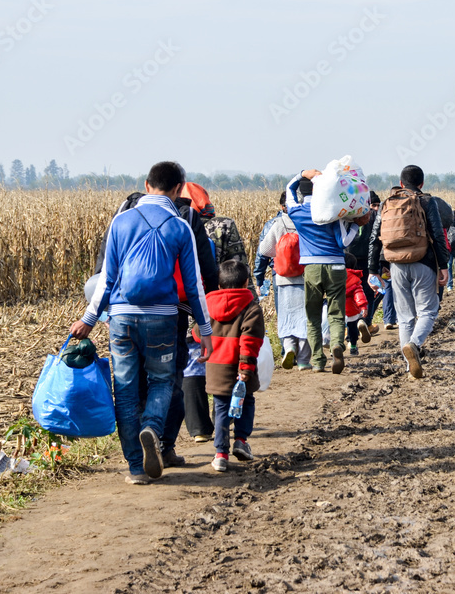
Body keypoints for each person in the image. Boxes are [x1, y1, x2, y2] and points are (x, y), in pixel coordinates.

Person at [72, 161, 214, 485]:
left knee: (123, 390)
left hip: (121, 318)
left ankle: (136, 469)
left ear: (147, 185)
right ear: (180, 190)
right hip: (163, 318)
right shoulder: (180, 226)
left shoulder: (121, 222)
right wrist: (205, 331)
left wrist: (89, 320)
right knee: (163, 381)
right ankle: (152, 427)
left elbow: (106, 278)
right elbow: (194, 286)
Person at [369, 165, 449, 379]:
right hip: (423, 262)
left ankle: (408, 366)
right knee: (428, 311)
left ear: (401, 183)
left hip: (396, 264)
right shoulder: (426, 201)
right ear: (421, 183)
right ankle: (414, 344)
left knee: (404, 317)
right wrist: (443, 266)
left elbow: (374, 238)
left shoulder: (387, 203)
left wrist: (372, 270)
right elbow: (438, 236)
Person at [286, 170, 368, 374]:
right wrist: (354, 227)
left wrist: (301, 174)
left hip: (311, 267)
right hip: (336, 265)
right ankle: (336, 345)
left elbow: (289, 189)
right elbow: (345, 241)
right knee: (337, 313)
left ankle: (317, 361)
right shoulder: (332, 210)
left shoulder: (296, 212)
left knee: (313, 316)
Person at [204, 260, 265, 473]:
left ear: (219, 285)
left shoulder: (208, 306)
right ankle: (241, 441)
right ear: (246, 282)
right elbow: (250, 341)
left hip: (216, 368)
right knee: (245, 402)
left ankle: (220, 454)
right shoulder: (251, 308)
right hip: (241, 369)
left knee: (220, 408)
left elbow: (197, 333)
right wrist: (246, 368)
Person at [256, 194, 312, 371]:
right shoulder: (307, 221)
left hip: (282, 277)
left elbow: (263, 250)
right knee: (305, 316)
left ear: (283, 206)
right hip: (304, 276)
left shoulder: (277, 223)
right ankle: (303, 360)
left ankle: (288, 348)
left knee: (286, 315)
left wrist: (260, 276)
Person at [346, 191, 382, 335]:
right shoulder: (373, 216)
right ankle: (367, 322)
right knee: (369, 291)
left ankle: (350, 328)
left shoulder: (348, 215)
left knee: (350, 292)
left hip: (349, 259)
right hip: (368, 259)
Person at [253, 192, 287, 299]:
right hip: (302, 273)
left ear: (282, 207)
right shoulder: (305, 222)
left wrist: (259, 280)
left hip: (279, 272)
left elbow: (262, 254)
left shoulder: (271, 224)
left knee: (281, 311)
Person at [344, 253, 371, 355]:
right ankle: (353, 346)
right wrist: (363, 307)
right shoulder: (354, 278)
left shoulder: (334, 276)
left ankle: (335, 345)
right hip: (352, 309)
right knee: (352, 328)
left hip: (337, 308)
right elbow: (359, 293)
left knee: (337, 328)